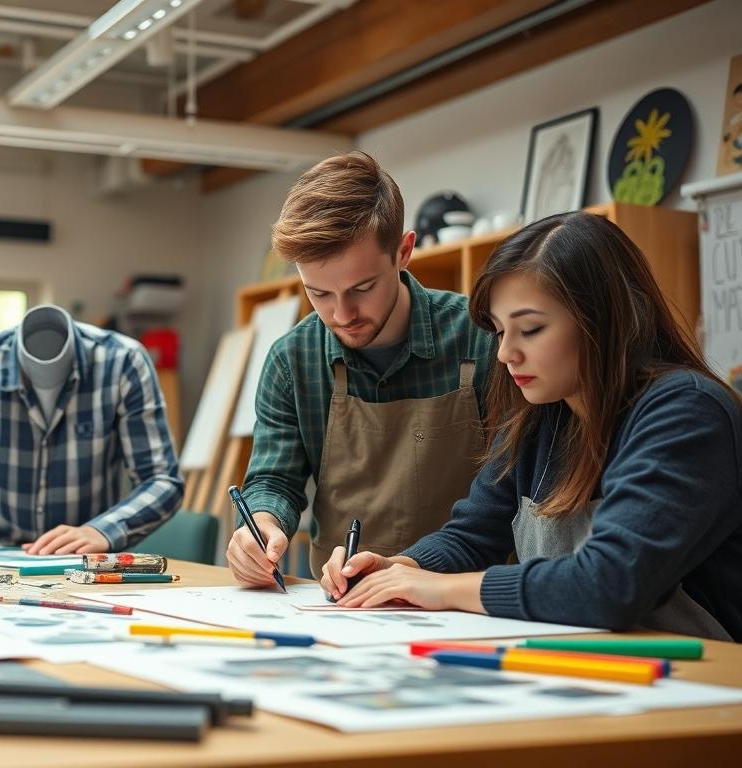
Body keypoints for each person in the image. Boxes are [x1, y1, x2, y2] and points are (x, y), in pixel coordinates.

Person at [321, 211, 742, 641]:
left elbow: (609, 584)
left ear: (604, 319)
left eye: (530, 329)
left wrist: (442, 588)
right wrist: (399, 569)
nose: (505, 354)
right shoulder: (539, 416)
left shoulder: (687, 413)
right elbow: (471, 538)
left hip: (703, 685)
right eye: (501, 332)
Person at [228, 151, 495, 587]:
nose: (342, 314)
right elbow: (274, 478)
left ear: (404, 252)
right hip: (342, 603)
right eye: (319, 293)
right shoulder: (292, 360)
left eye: (363, 287)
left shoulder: (481, 339)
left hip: (464, 600)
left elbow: (506, 498)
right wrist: (260, 527)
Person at [0, 304, 183, 555]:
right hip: (4, 558)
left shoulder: (123, 363)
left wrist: (103, 530)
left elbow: (161, 479)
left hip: (90, 561)